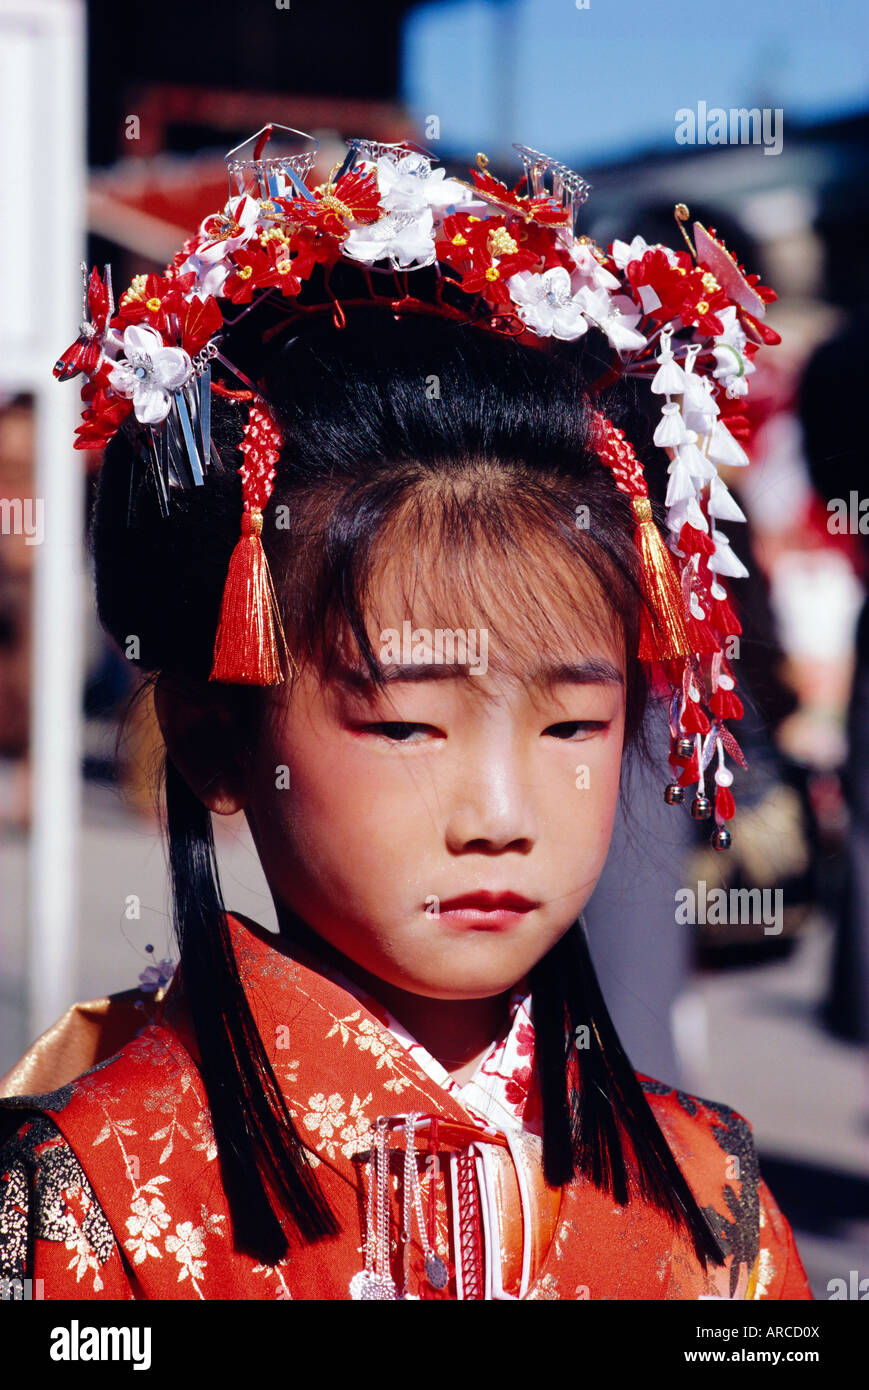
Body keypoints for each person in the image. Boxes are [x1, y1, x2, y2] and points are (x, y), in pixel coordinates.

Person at [0, 129, 812, 1300]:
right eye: (406, 726)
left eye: (572, 726)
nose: (500, 815)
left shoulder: (710, 1196)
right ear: (217, 735)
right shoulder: (96, 1194)